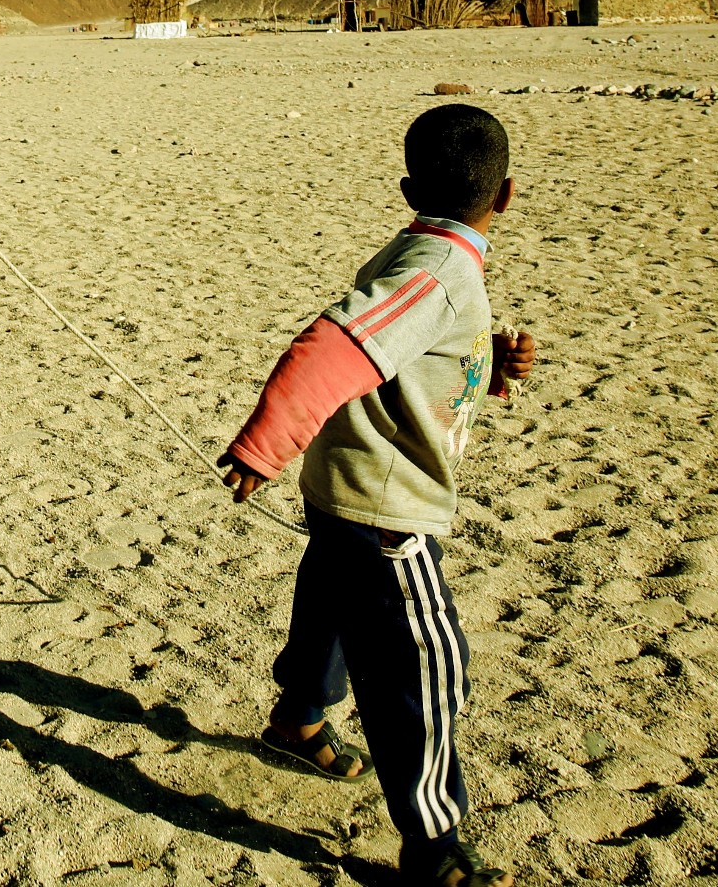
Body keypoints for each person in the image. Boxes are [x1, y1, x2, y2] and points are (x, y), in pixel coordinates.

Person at [217, 104, 537, 887]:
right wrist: (265, 442)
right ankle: (432, 840)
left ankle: (298, 716)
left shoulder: (425, 255)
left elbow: (407, 352)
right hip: (387, 507)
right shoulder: (440, 270)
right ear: (508, 194)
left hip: (345, 489)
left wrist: (485, 362)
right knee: (424, 661)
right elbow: (337, 344)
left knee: (331, 596)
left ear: (407, 189)